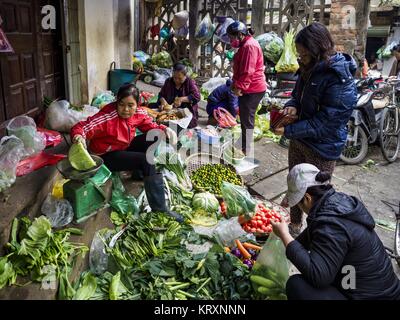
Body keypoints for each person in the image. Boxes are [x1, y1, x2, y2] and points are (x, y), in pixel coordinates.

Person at [273, 22, 358, 236]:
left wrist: (289, 131)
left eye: (303, 53)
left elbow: (325, 123)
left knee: (316, 194)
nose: (300, 58)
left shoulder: (340, 79)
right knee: (295, 182)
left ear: (317, 50)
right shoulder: (307, 69)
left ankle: (318, 235)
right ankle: (293, 225)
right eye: (299, 53)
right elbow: (296, 95)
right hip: (301, 139)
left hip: (322, 147)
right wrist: (292, 107)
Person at [271, 163, 400, 300]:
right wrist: (290, 244)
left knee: (297, 285)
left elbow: (318, 276)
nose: (299, 207)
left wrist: (285, 235)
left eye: (299, 203)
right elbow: (312, 235)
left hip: (372, 297)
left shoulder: (330, 225)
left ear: (308, 198)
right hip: (368, 285)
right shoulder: (336, 203)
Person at [71, 84, 183, 222]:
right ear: (116, 102)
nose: (126, 109)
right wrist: (78, 136)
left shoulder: (139, 113)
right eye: (121, 104)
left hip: (123, 147)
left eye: (131, 105)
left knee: (155, 135)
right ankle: (160, 210)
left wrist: (164, 129)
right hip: (105, 156)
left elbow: (151, 126)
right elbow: (81, 127)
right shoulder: (107, 117)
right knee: (146, 160)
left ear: (137, 104)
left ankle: (140, 173)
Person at [226, 21, 267, 155]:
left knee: (247, 119)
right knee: (244, 117)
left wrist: (240, 87)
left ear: (239, 35)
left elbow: (248, 71)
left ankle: (247, 150)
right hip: (250, 87)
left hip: (253, 88)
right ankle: (243, 143)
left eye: (232, 37)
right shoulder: (245, 45)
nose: (231, 40)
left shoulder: (250, 46)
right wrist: (235, 83)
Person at [157, 63, 201, 129]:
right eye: (175, 78)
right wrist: (163, 101)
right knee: (155, 114)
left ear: (185, 76)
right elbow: (161, 95)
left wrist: (182, 99)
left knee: (173, 124)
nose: (176, 80)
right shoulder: (168, 81)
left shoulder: (190, 82)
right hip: (170, 110)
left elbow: (197, 96)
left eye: (180, 78)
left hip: (186, 112)